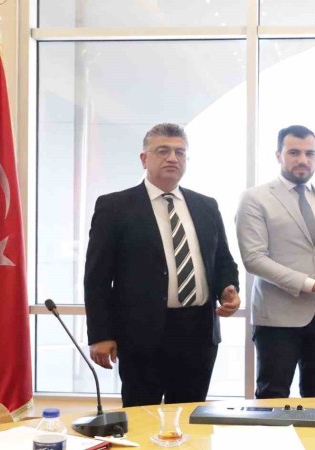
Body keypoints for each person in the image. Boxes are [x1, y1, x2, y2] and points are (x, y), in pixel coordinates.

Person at [84, 123, 241, 406]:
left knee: (191, 416)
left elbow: (222, 260)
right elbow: (97, 278)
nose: (172, 158)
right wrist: (101, 334)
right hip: (141, 334)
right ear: (144, 159)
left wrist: (228, 288)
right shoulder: (114, 207)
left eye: (180, 152)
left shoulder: (206, 206)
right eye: (163, 151)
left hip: (199, 333)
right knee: (142, 417)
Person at [236, 125, 315, 399]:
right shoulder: (255, 198)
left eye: (309, 153)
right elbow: (254, 259)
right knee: (272, 397)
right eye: (294, 152)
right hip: (277, 317)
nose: (303, 160)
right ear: (278, 155)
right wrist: (312, 285)